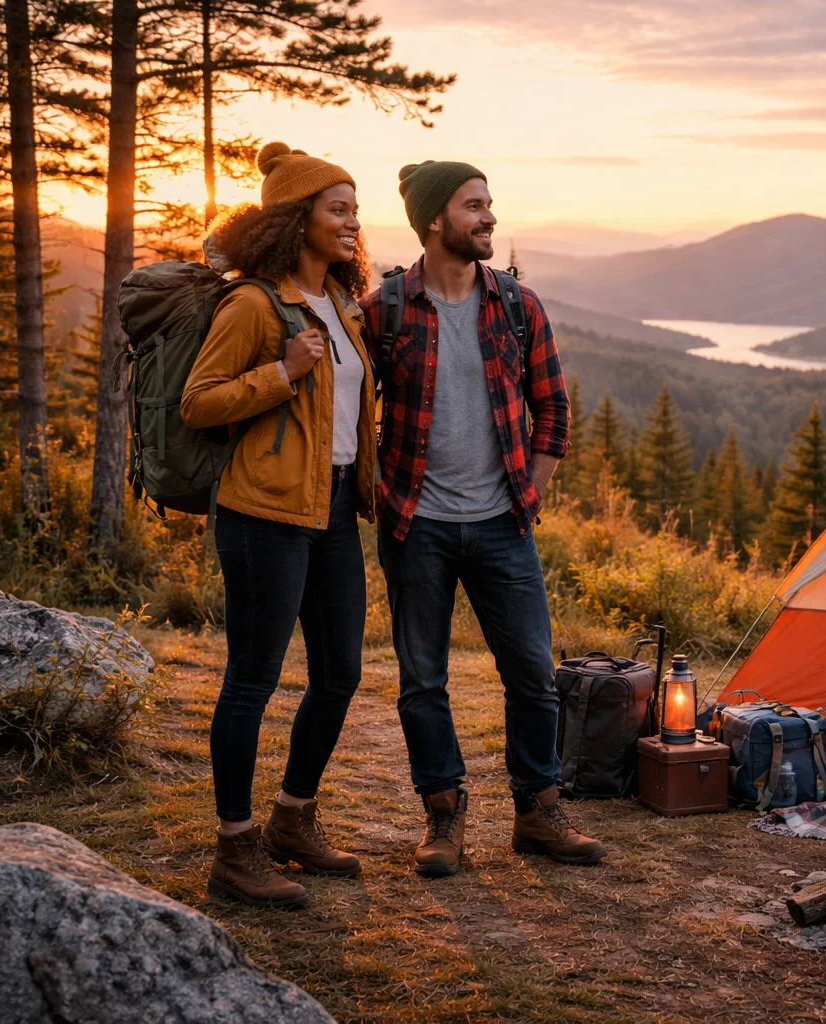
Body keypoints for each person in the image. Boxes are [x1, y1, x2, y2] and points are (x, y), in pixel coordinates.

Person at [360, 160, 606, 878]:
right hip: (416, 525)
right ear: (436, 219)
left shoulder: (517, 306)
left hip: (503, 523)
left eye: (489, 203)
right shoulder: (386, 309)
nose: (489, 216)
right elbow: (350, 408)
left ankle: (537, 813)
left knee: (532, 674)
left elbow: (553, 408)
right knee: (422, 681)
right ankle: (443, 817)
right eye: (474, 205)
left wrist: (530, 492)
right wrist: (377, 490)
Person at [181, 141, 378, 908]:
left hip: (332, 509)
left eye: (356, 210)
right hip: (262, 512)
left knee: (339, 674)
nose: (353, 222)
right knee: (253, 679)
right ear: (297, 219)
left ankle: (293, 820)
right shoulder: (253, 304)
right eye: (338, 210)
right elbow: (200, 402)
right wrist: (281, 372)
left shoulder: (339, 305)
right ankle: (235, 850)